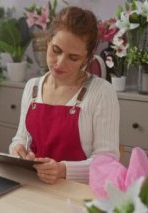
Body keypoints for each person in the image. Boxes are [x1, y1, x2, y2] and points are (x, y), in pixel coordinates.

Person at [9, 6, 120, 184]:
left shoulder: (101, 93)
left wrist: (63, 170)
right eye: (56, 50)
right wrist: (18, 150)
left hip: (78, 195)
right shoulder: (32, 87)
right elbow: (20, 138)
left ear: (87, 58)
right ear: (48, 41)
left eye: (73, 57)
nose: (60, 63)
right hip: (35, 188)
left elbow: (107, 162)